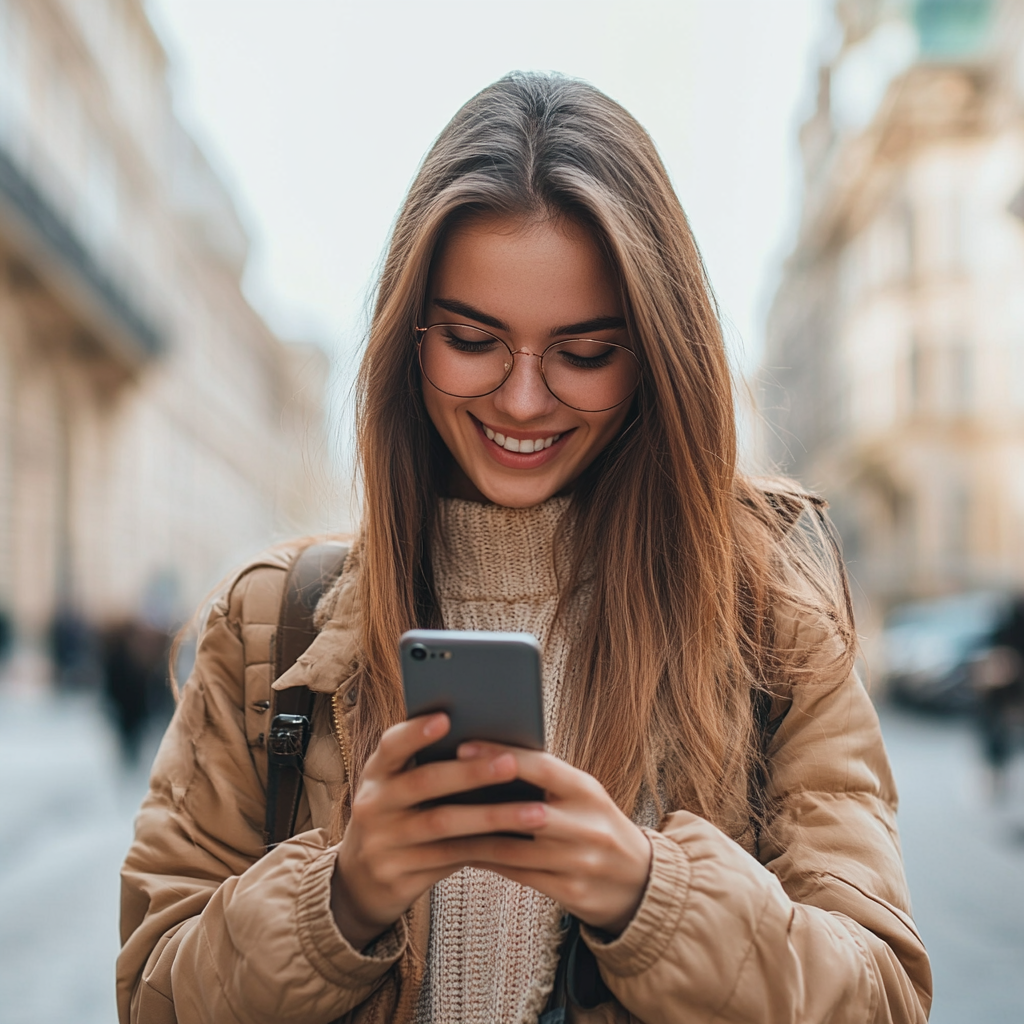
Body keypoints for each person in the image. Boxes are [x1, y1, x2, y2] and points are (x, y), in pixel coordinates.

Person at [117, 73, 931, 1024]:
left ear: (655, 356)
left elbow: (880, 997)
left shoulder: (771, 630)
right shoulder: (270, 623)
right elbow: (152, 996)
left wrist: (648, 895)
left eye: (585, 353)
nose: (522, 400)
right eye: (472, 339)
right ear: (408, 338)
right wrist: (342, 898)